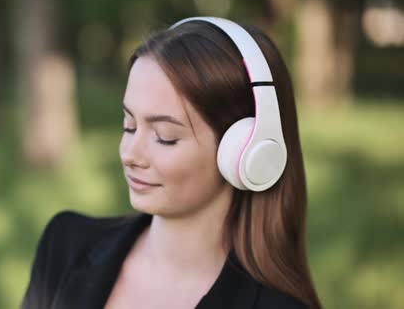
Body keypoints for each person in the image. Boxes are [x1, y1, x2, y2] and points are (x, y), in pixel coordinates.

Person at [21, 17, 322, 309]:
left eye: (164, 136)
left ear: (244, 150)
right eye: (129, 125)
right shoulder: (65, 245)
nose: (129, 153)